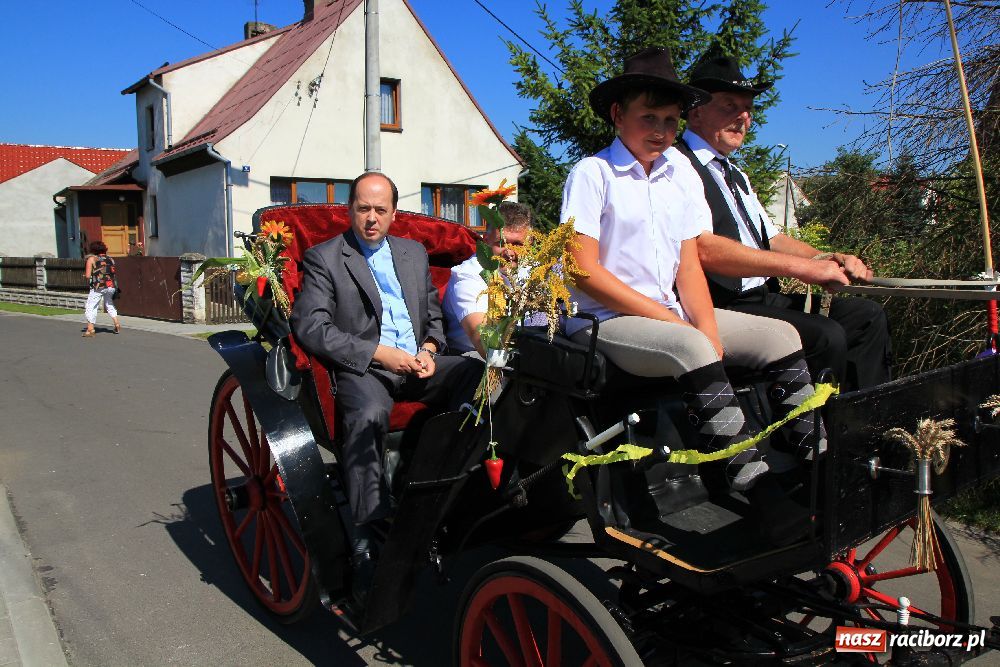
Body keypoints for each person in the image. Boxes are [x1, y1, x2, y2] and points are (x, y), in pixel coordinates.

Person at [562, 46, 825, 545]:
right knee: (691, 346)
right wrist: (682, 327)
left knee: (781, 336)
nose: (661, 130)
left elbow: (688, 267)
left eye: (670, 120)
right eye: (649, 118)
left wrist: (704, 325)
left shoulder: (679, 172)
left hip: (672, 313)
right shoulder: (592, 173)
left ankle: (815, 465)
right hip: (608, 319)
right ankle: (756, 488)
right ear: (618, 114)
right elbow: (583, 271)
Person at [290, 171, 481, 607]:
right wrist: (379, 354)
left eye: (380, 209)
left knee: (476, 377)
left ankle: (445, 485)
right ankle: (367, 532)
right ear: (350, 210)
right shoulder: (325, 257)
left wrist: (430, 348)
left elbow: (433, 316)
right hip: (366, 369)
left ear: (394, 213)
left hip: (418, 363)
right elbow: (312, 326)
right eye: (363, 209)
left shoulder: (413, 253)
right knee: (367, 415)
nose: (371, 218)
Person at [677, 49, 892, 391]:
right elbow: (704, 249)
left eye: (747, 108)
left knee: (866, 317)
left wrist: (829, 259)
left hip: (762, 298)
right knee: (825, 336)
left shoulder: (735, 174)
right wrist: (803, 270)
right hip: (719, 304)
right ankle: (817, 424)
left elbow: (772, 239)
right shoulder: (677, 167)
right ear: (696, 112)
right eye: (729, 106)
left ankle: (866, 415)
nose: (743, 117)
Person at [443, 201, 538, 358]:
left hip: (525, 350)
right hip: (473, 356)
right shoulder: (467, 276)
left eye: (517, 244)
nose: (509, 253)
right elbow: (485, 342)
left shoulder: (533, 270)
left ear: (530, 243)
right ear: (486, 240)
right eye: (501, 243)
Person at [82, 241, 121, 337]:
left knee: (91, 306)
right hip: (111, 285)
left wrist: (86, 275)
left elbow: (88, 276)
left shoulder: (92, 259)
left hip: (98, 286)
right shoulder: (110, 259)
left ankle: (90, 329)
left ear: (93, 250)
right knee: (109, 304)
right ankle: (116, 323)